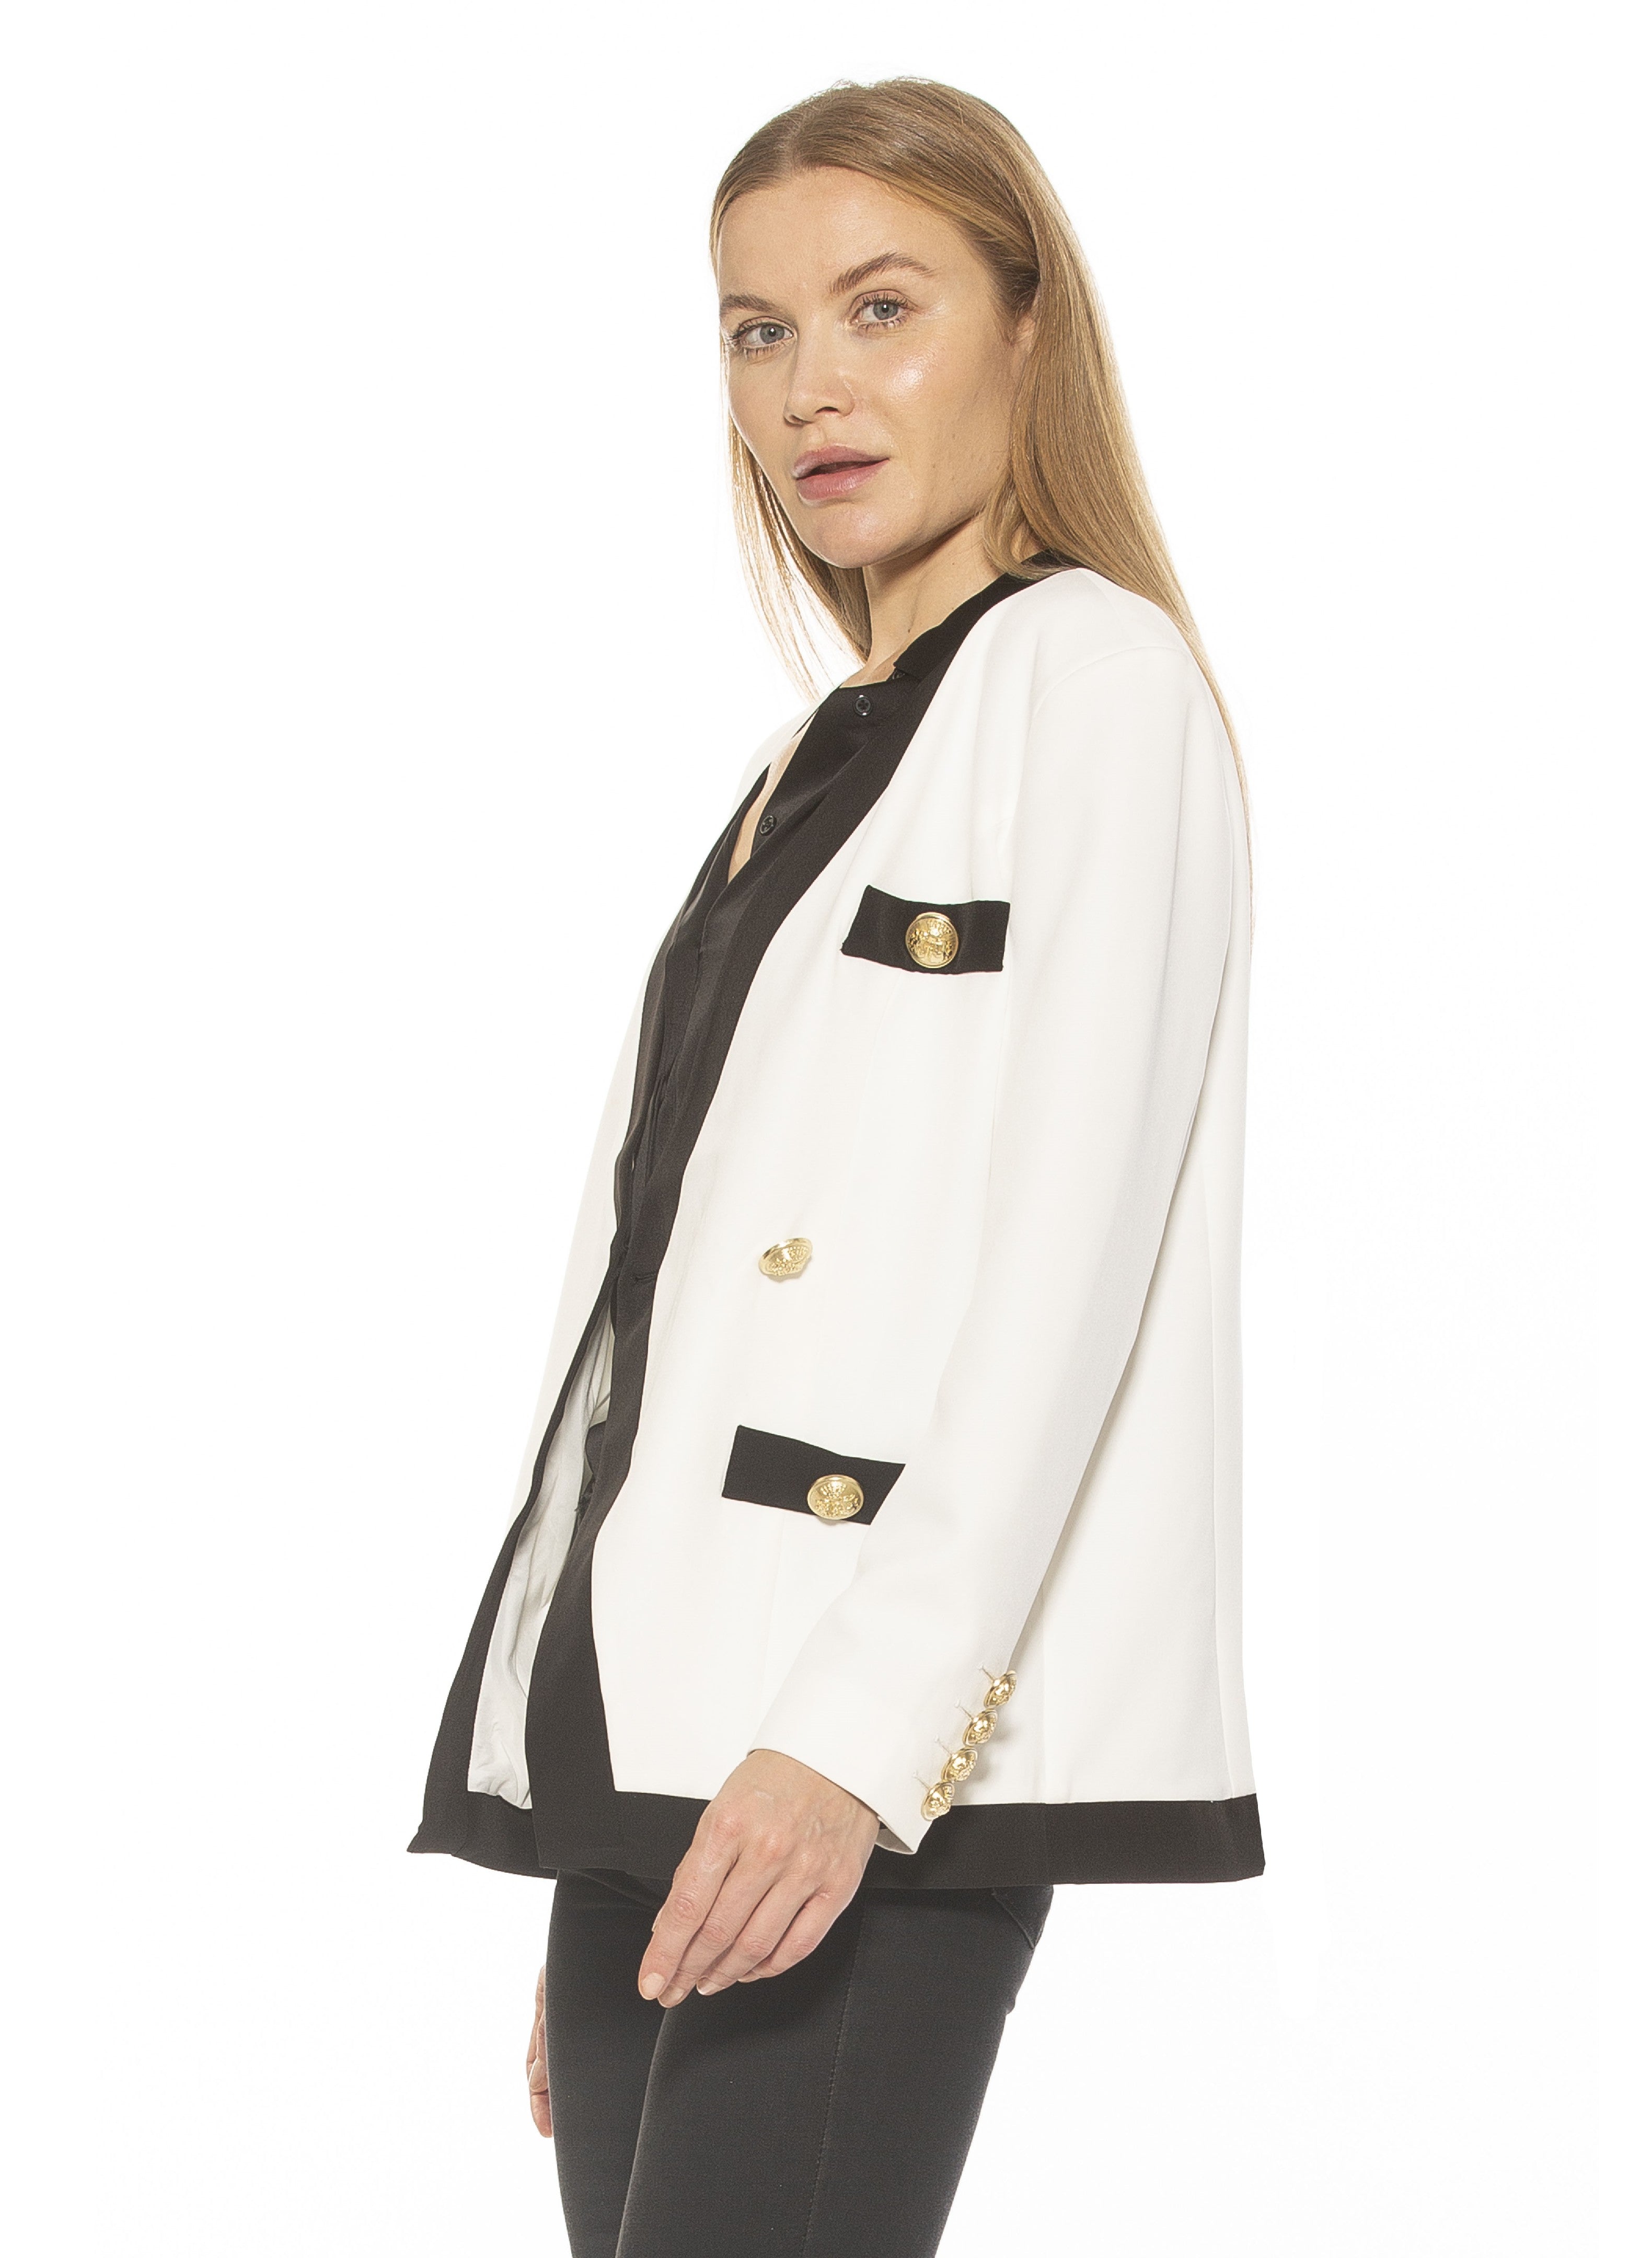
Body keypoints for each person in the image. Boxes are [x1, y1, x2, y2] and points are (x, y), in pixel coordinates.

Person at [410, 75, 1262, 2258]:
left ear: (1030, 326)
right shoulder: (814, 755)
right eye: (757, 329)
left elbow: (1068, 1277)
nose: (811, 389)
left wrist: (857, 1753)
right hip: (673, 1761)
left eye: (883, 308)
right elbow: (654, 1313)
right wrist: (591, 1801)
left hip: (855, 1772)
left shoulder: (1097, 680)